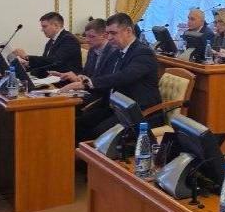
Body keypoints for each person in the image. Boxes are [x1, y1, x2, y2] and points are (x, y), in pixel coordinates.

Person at [62, 13, 162, 143]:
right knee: (76, 124)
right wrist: (81, 83)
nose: (109, 37)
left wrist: (87, 83)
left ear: (128, 31)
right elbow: (106, 78)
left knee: (97, 133)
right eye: (107, 33)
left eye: (113, 33)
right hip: (115, 107)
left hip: (139, 112)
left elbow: (124, 76)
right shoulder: (118, 52)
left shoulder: (143, 53)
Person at [51, 19, 117, 108]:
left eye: (92, 36)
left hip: (103, 96)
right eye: (86, 36)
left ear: (104, 35)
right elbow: (86, 74)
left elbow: (106, 81)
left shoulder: (113, 52)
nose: (87, 40)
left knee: (63, 105)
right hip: (89, 91)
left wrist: (82, 83)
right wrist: (75, 77)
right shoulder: (92, 50)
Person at [13, 11, 82, 78]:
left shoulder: (69, 39)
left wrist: (27, 57)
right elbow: (46, 62)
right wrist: (27, 65)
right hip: (52, 78)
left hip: (67, 80)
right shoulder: (51, 41)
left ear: (56, 25)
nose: (42, 30)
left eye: (44, 26)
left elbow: (56, 62)